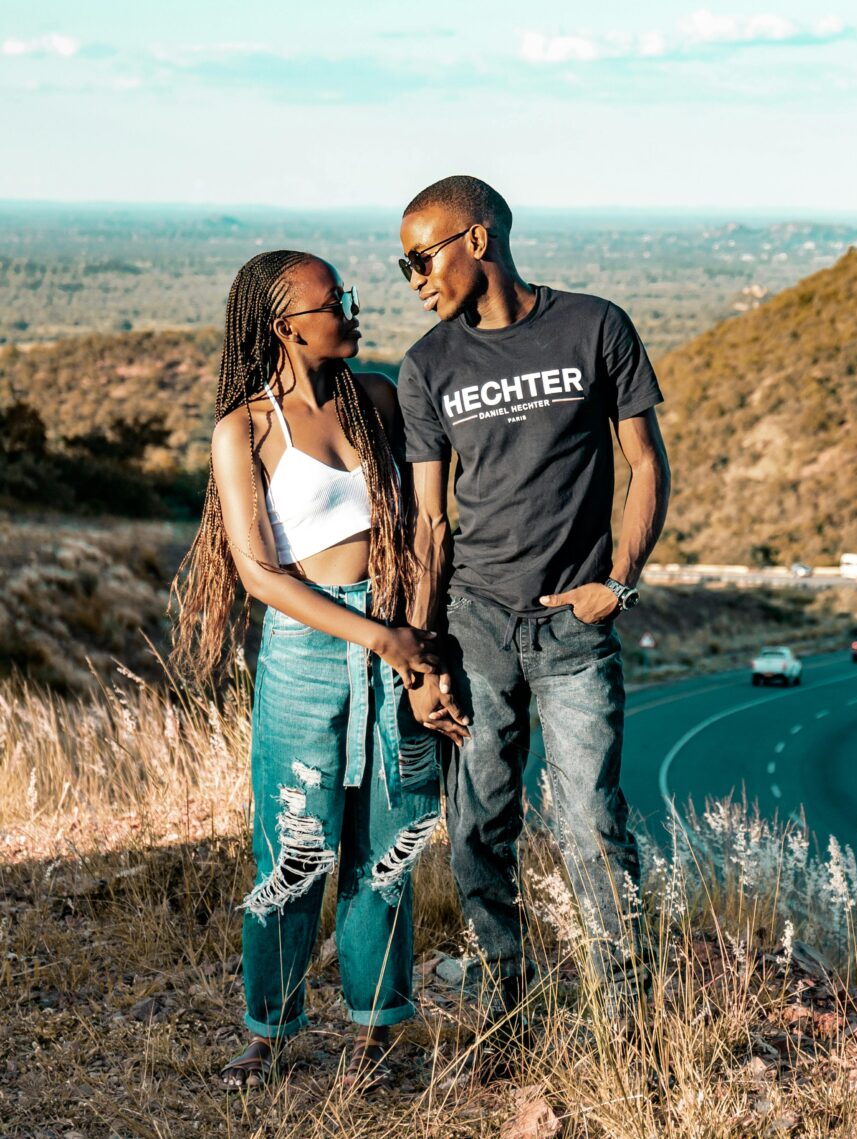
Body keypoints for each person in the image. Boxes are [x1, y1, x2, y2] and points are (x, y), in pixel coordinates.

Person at [395, 175, 671, 1055]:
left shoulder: (596, 326)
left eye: (421, 257)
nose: (415, 281)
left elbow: (645, 464)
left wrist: (617, 581)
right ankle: (510, 1005)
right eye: (403, 267)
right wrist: (424, 652)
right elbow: (429, 523)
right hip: (476, 624)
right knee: (478, 826)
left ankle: (625, 1024)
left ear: (476, 240)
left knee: (593, 824)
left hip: (574, 628)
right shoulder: (427, 366)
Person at [170, 250, 446, 1090]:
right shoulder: (245, 429)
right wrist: (376, 639)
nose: (354, 311)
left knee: (384, 847)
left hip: (397, 631)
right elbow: (260, 574)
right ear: (286, 324)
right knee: (295, 848)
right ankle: (269, 1030)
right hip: (309, 648)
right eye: (336, 302)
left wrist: (414, 643)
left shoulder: (379, 400)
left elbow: (429, 524)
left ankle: (376, 1034)